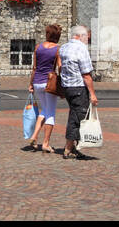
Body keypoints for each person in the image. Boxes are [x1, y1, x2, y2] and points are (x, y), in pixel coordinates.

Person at [57, 24, 98, 160]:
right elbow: (86, 74)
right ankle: (69, 147)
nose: (88, 40)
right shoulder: (81, 49)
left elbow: (60, 67)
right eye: (87, 37)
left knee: (74, 114)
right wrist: (92, 94)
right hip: (79, 87)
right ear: (80, 36)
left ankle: (70, 147)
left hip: (67, 87)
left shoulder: (64, 47)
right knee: (79, 117)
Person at [22, 24, 62, 153]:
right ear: (57, 36)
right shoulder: (57, 49)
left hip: (38, 82)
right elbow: (60, 67)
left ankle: (34, 136)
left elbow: (34, 68)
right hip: (49, 83)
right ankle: (45, 143)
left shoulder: (38, 47)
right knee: (50, 113)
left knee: (44, 110)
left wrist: (31, 83)